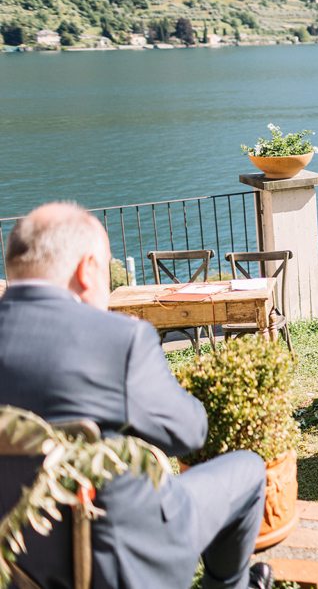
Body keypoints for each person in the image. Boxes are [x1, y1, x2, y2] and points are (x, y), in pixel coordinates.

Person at [0, 203, 272, 589]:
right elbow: (190, 433)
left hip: (18, 567)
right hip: (122, 563)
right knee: (248, 470)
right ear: (87, 268)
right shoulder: (117, 339)